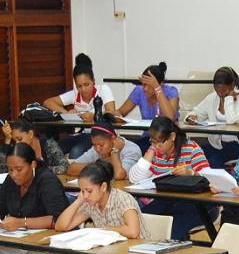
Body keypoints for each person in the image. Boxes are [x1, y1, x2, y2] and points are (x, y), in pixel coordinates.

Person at [129, 116, 213, 244]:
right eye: (152, 141)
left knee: (170, 230)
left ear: (172, 136)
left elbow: (210, 178)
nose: (156, 146)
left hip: (194, 204)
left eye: (159, 142)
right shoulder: (155, 151)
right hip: (166, 201)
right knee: (140, 221)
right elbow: (134, 179)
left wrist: (191, 173)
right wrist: (149, 155)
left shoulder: (191, 148)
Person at [43, 53, 116, 159]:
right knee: (55, 148)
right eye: (79, 86)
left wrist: (94, 116)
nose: (83, 89)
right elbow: (48, 102)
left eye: (87, 85)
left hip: (101, 135)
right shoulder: (74, 94)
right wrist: (66, 112)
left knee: (75, 152)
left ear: (93, 81)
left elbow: (111, 113)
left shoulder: (103, 89)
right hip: (83, 134)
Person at [184, 67, 239, 168]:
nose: (220, 93)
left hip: (237, 145)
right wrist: (191, 117)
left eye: (224, 89)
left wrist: (228, 98)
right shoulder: (211, 98)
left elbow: (231, 120)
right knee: (191, 155)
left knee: (212, 162)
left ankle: (212, 182)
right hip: (216, 144)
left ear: (232, 85)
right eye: (217, 89)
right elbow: (196, 111)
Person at [111, 62, 180, 153]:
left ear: (161, 84)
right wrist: (111, 114)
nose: (145, 89)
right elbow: (121, 112)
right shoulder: (139, 91)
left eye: (149, 85)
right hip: (148, 138)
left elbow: (170, 118)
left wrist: (157, 88)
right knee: (129, 151)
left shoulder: (171, 91)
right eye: (143, 84)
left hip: (167, 140)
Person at [67, 122, 142, 180]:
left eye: (101, 145)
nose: (98, 149)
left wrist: (114, 151)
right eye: (94, 145)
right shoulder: (96, 148)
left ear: (113, 138)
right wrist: (100, 165)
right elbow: (71, 169)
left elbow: (119, 175)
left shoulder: (132, 150)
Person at [0, 118, 68, 175]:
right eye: (15, 140)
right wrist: (7, 139)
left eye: (20, 139)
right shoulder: (16, 148)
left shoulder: (48, 144)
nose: (17, 143)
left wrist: (35, 170)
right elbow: (3, 170)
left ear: (31, 134)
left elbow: (65, 167)